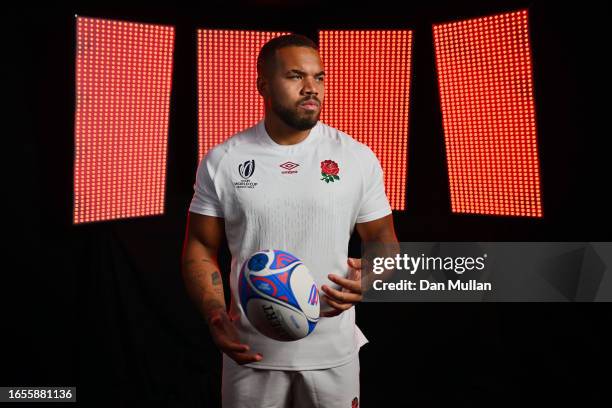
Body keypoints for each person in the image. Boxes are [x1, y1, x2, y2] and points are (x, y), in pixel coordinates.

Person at [182, 34, 398, 408]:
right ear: (263, 84)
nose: (311, 88)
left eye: (319, 77)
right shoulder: (224, 160)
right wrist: (215, 313)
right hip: (250, 352)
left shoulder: (357, 157)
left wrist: (371, 277)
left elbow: (383, 238)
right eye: (296, 76)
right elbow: (200, 246)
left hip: (333, 352)